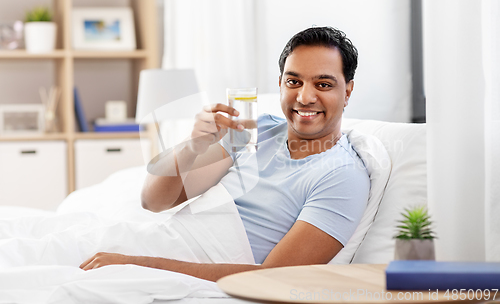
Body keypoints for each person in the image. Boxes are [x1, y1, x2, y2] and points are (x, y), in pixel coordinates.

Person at [80, 26, 370, 282]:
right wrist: (193, 144)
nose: (305, 97)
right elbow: (153, 201)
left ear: (347, 92)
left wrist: (140, 266)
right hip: (160, 244)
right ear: (280, 83)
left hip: (174, 267)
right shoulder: (259, 129)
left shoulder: (342, 176)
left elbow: (276, 278)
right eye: (294, 82)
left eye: (323, 84)